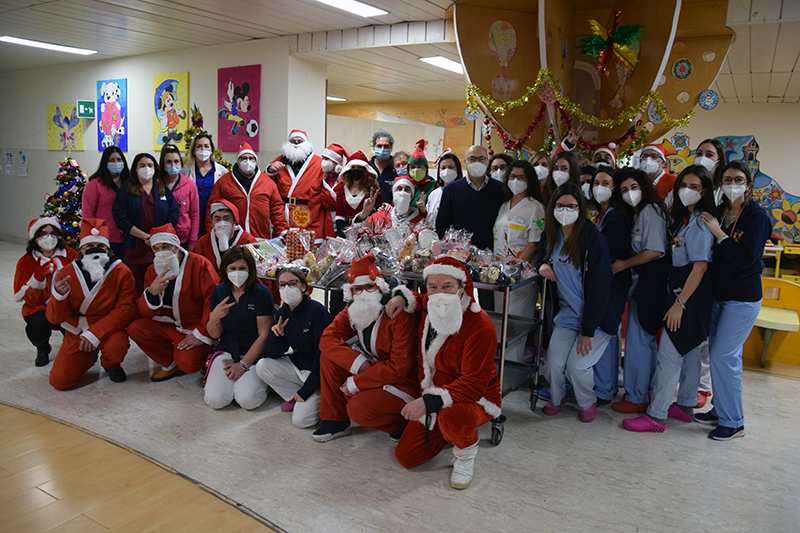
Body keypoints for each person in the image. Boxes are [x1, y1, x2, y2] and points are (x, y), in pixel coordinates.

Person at [623, 165, 717, 433]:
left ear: (705, 191)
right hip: (685, 291)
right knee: (688, 353)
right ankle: (686, 405)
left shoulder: (699, 222)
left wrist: (679, 304)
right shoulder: (686, 219)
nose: (687, 191)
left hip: (688, 295)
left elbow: (699, 267)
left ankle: (656, 416)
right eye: (683, 186)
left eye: (695, 187)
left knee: (669, 355)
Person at [394, 257, 502, 490]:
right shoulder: (431, 304)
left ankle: (465, 453)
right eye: (433, 287)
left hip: (476, 395)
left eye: (447, 287)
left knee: (452, 417)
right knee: (406, 457)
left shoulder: (480, 326)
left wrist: (429, 401)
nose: (439, 293)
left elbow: (474, 384)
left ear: (462, 288)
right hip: (436, 388)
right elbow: (420, 298)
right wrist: (400, 296)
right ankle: (445, 431)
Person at [695, 161, 772, 440]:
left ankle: (734, 422)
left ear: (748, 185)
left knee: (723, 355)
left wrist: (719, 233)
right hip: (719, 295)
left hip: (742, 299)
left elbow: (745, 259)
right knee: (723, 356)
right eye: (727, 179)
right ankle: (722, 408)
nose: (732, 184)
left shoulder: (756, 217)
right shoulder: (721, 212)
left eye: (738, 179)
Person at [536, 183, 624, 422]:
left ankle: (587, 402)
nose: (565, 210)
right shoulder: (550, 235)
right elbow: (540, 257)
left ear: (580, 208)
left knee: (577, 366)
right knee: (553, 364)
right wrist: (541, 265)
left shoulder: (593, 240)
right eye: (560, 205)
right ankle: (557, 398)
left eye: (571, 206)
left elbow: (599, 289)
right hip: (567, 315)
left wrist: (588, 331)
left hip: (596, 318)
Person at [313, 254, 420, 442]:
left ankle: (403, 426)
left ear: (380, 286)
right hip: (372, 368)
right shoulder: (353, 309)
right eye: (358, 289)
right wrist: (359, 364)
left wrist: (357, 382)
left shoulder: (398, 313)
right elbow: (327, 338)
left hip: (402, 379)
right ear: (351, 292)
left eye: (370, 287)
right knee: (328, 358)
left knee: (358, 409)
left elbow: (400, 367)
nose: (365, 294)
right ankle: (335, 422)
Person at [45, 219, 136, 389]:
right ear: (81, 249)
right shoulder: (66, 273)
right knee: (59, 381)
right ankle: (87, 358)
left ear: (108, 250)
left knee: (117, 345)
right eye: (89, 246)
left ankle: (111, 364)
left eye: (100, 247)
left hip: (109, 327)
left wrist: (95, 332)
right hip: (77, 330)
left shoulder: (121, 271)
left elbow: (127, 309)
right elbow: (54, 318)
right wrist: (59, 296)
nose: (95, 250)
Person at [127, 224, 219, 382]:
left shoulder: (199, 264)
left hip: (193, 325)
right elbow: (146, 312)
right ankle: (169, 363)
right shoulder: (152, 270)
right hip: (166, 323)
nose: (161, 252)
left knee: (189, 364)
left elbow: (213, 300)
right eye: (156, 248)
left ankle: (204, 352)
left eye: (166, 246)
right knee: (135, 328)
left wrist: (202, 333)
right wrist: (151, 293)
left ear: (176, 246)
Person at [610, 168, 669, 414]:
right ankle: (640, 392)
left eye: (634, 187)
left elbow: (654, 250)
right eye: (624, 190)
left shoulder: (651, 211)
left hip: (650, 285)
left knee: (639, 343)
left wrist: (624, 264)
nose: (630, 193)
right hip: (643, 285)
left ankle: (638, 397)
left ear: (644, 186)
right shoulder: (639, 213)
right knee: (640, 342)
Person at [256, 267, 332, 428]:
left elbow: (324, 354)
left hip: (319, 372)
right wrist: (276, 335)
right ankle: (294, 396)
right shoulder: (283, 312)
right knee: (263, 366)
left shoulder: (317, 311)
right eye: (282, 285)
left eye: (292, 283)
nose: (287, 289)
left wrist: (309, 388)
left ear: (303, 286)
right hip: (300, 365)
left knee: (301, 421)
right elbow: (273, 353)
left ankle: (313, 395)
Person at [204, 246, 274, 410]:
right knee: (216, 400)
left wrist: (243, 365)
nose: (237, 272)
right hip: (227, 350)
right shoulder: (219, 291)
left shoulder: (261, 293)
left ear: (250, 269)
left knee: (247, 400)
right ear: (225, 270)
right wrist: (214, 317)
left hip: (255, 354)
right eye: (233, 268)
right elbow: (215, 333)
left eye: (242, 268)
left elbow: (263, 336)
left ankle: (264, 383)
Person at [436, 144, 505, 309]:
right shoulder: (451, 190)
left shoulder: (500, 190)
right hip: (459, 256)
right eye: (472, 159)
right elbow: (441, 225)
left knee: (488, 306)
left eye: (481, 159)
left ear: (488, 162)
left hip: (490, 257)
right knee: (456, 302)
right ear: (465, 162)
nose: (477, 162)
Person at [588, 166, 633, 406]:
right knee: (607, 331)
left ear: (614, 188)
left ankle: (605, 389)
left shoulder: (616, 215)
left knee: (606, 331)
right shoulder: (602, 214)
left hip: (612, 281)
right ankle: (603, 385)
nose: (599, 188)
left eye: (606, 183)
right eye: (596, 182)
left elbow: (611, 252)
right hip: (604, 279)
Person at [14, 217, 77, 366]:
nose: (49, 238)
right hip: (39, 306)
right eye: (43, 234)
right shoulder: (26, 261)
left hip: (67, 304)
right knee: (36, 322)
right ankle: (42, 348)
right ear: (35, 239)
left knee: (74, 320)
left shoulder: (71, 255)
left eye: (53, 233)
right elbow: (29, 298)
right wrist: (38, 279)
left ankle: (69, 345)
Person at [113, 152, 179, 294]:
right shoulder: (126, 190)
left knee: (163, 283)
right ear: (135, 169)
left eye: (150, 165)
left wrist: (160, 236)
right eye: (142, 165)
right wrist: (144, 236)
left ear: (155, 168)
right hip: (136, 247)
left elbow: (174, 213)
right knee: (137, 286)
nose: (146, 168)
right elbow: (120, 217)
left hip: (161, 247)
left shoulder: (162, 189)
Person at [492, 160, 545, 314]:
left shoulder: (536, 208)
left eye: (522, 177)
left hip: (521, 278)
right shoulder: (504, 206)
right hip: (500, 274)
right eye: (513, 176)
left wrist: (515, 269)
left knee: (516, 323)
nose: (516, 181)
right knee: (499, 320)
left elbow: (534, 243)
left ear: (530, 181)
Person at [206, 142, 287, 239]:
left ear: (255, 161)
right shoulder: (223, 183)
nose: (248, 161)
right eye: (243, 158)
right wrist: (212, 235)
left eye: (251, 158)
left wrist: (283, 232)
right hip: (233, 239)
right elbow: (212, 209)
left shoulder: (268, 183)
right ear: (238, 161)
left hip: (260, 238)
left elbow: (277, 210)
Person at [265, 129, 327, 244]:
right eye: (293, 141)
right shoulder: (279, 161)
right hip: (283, 214)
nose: (296, 144)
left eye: (300, 141)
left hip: (307, 213)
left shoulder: (318, 163)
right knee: (283, 247)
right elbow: (265, 184)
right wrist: (270, 170)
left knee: (305, 250)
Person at [83, 146, 128, 259]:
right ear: (105, 163)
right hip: (105, 239)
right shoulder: (94, 185)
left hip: (129, 239)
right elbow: (88, 215)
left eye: (119, 159)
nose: (116, 163)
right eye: (111, 160)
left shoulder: (130, 183)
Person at [183, 133, 226, 237]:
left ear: (211, 150)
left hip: (214, 218)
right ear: (193, 150)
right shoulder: (185, 170)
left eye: (206, 146)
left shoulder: (222, 171)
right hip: (192, 219)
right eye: (199, 146)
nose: (203, 149)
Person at [194, 199, 257, 269]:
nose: (222, 223)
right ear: (212, 221)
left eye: (226, 218)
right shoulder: (203, 243)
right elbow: (196, 267)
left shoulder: (248, 241)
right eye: (217, 219)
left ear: (234, 220)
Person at [333, 151, 384, 237]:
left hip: (367, 232)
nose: (356, 170)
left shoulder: (374, 189)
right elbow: (339, 214)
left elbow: (379, 211)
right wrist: (342, 235)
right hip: (346, 231)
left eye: (359, 167)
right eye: (353, 167)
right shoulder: (342, 188)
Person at [159, 143, 199, 250]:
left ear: (181, 163)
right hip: (160, 240)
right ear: (163, 164)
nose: (173, 165)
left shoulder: (190, 185)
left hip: (183, 240)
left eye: (176, 161)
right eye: (168, 162)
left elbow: (195, 216)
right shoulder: (156, 184)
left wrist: (192, 242)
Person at [425, 151, 463, 226]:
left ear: (457, 170)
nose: (446, 171)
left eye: (451, 167)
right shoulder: (434, 194)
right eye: (443, 168)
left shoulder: (463, 193)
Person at [320, 143, 348, 240]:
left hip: (344, 220)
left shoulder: (346, 178)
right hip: (327, 221)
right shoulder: (323, 178)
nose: (323, 162)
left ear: (337, 162)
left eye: (327, 159)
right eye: (322, 158)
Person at [405, 139, 437, 211]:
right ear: (408, 169)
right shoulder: (403, 183)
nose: (416, 170)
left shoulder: (432, 185)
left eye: (419, 167)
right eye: (412, 167)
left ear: (426, 168)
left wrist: (423, 209)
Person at [368, 129, 397, 203]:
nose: (382, 149)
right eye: (379, 146)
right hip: (369, 212)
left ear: (391, 148)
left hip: (390, 212)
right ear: (374, 147)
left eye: (386, 146)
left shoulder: (397, 168)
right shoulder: (367, 167)